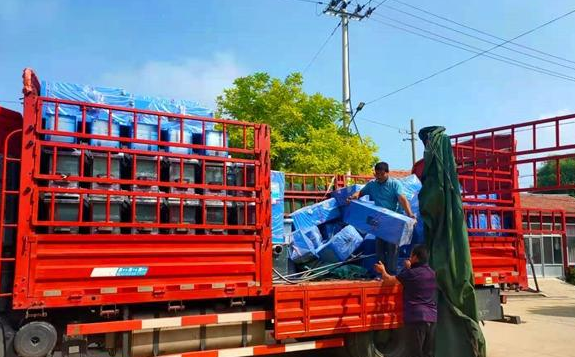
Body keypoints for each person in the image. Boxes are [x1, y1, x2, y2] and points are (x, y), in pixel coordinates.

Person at [349, 161, 416, 274]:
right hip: (379, 221)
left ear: (387, 173)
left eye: (381, 174)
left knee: (392, 248)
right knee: (379, 247)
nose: (379, 176)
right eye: (377, 174)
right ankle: (381, 273)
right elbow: (361, 192)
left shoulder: (395, 184)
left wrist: (410, 214)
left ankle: (391, 273)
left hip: (393, 221)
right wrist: (354, 196)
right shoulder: (372, 185)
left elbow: (402, 199)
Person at [375, 245, 437, 357]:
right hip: (432, 318)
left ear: (416, 257)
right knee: (428, 353)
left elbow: (389, 280)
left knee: (414, 353)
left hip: (416, 318)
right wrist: (409, 268)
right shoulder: (432, 273)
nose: (409, 258)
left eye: (411, 255)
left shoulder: (410, 274)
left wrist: (382, 270)